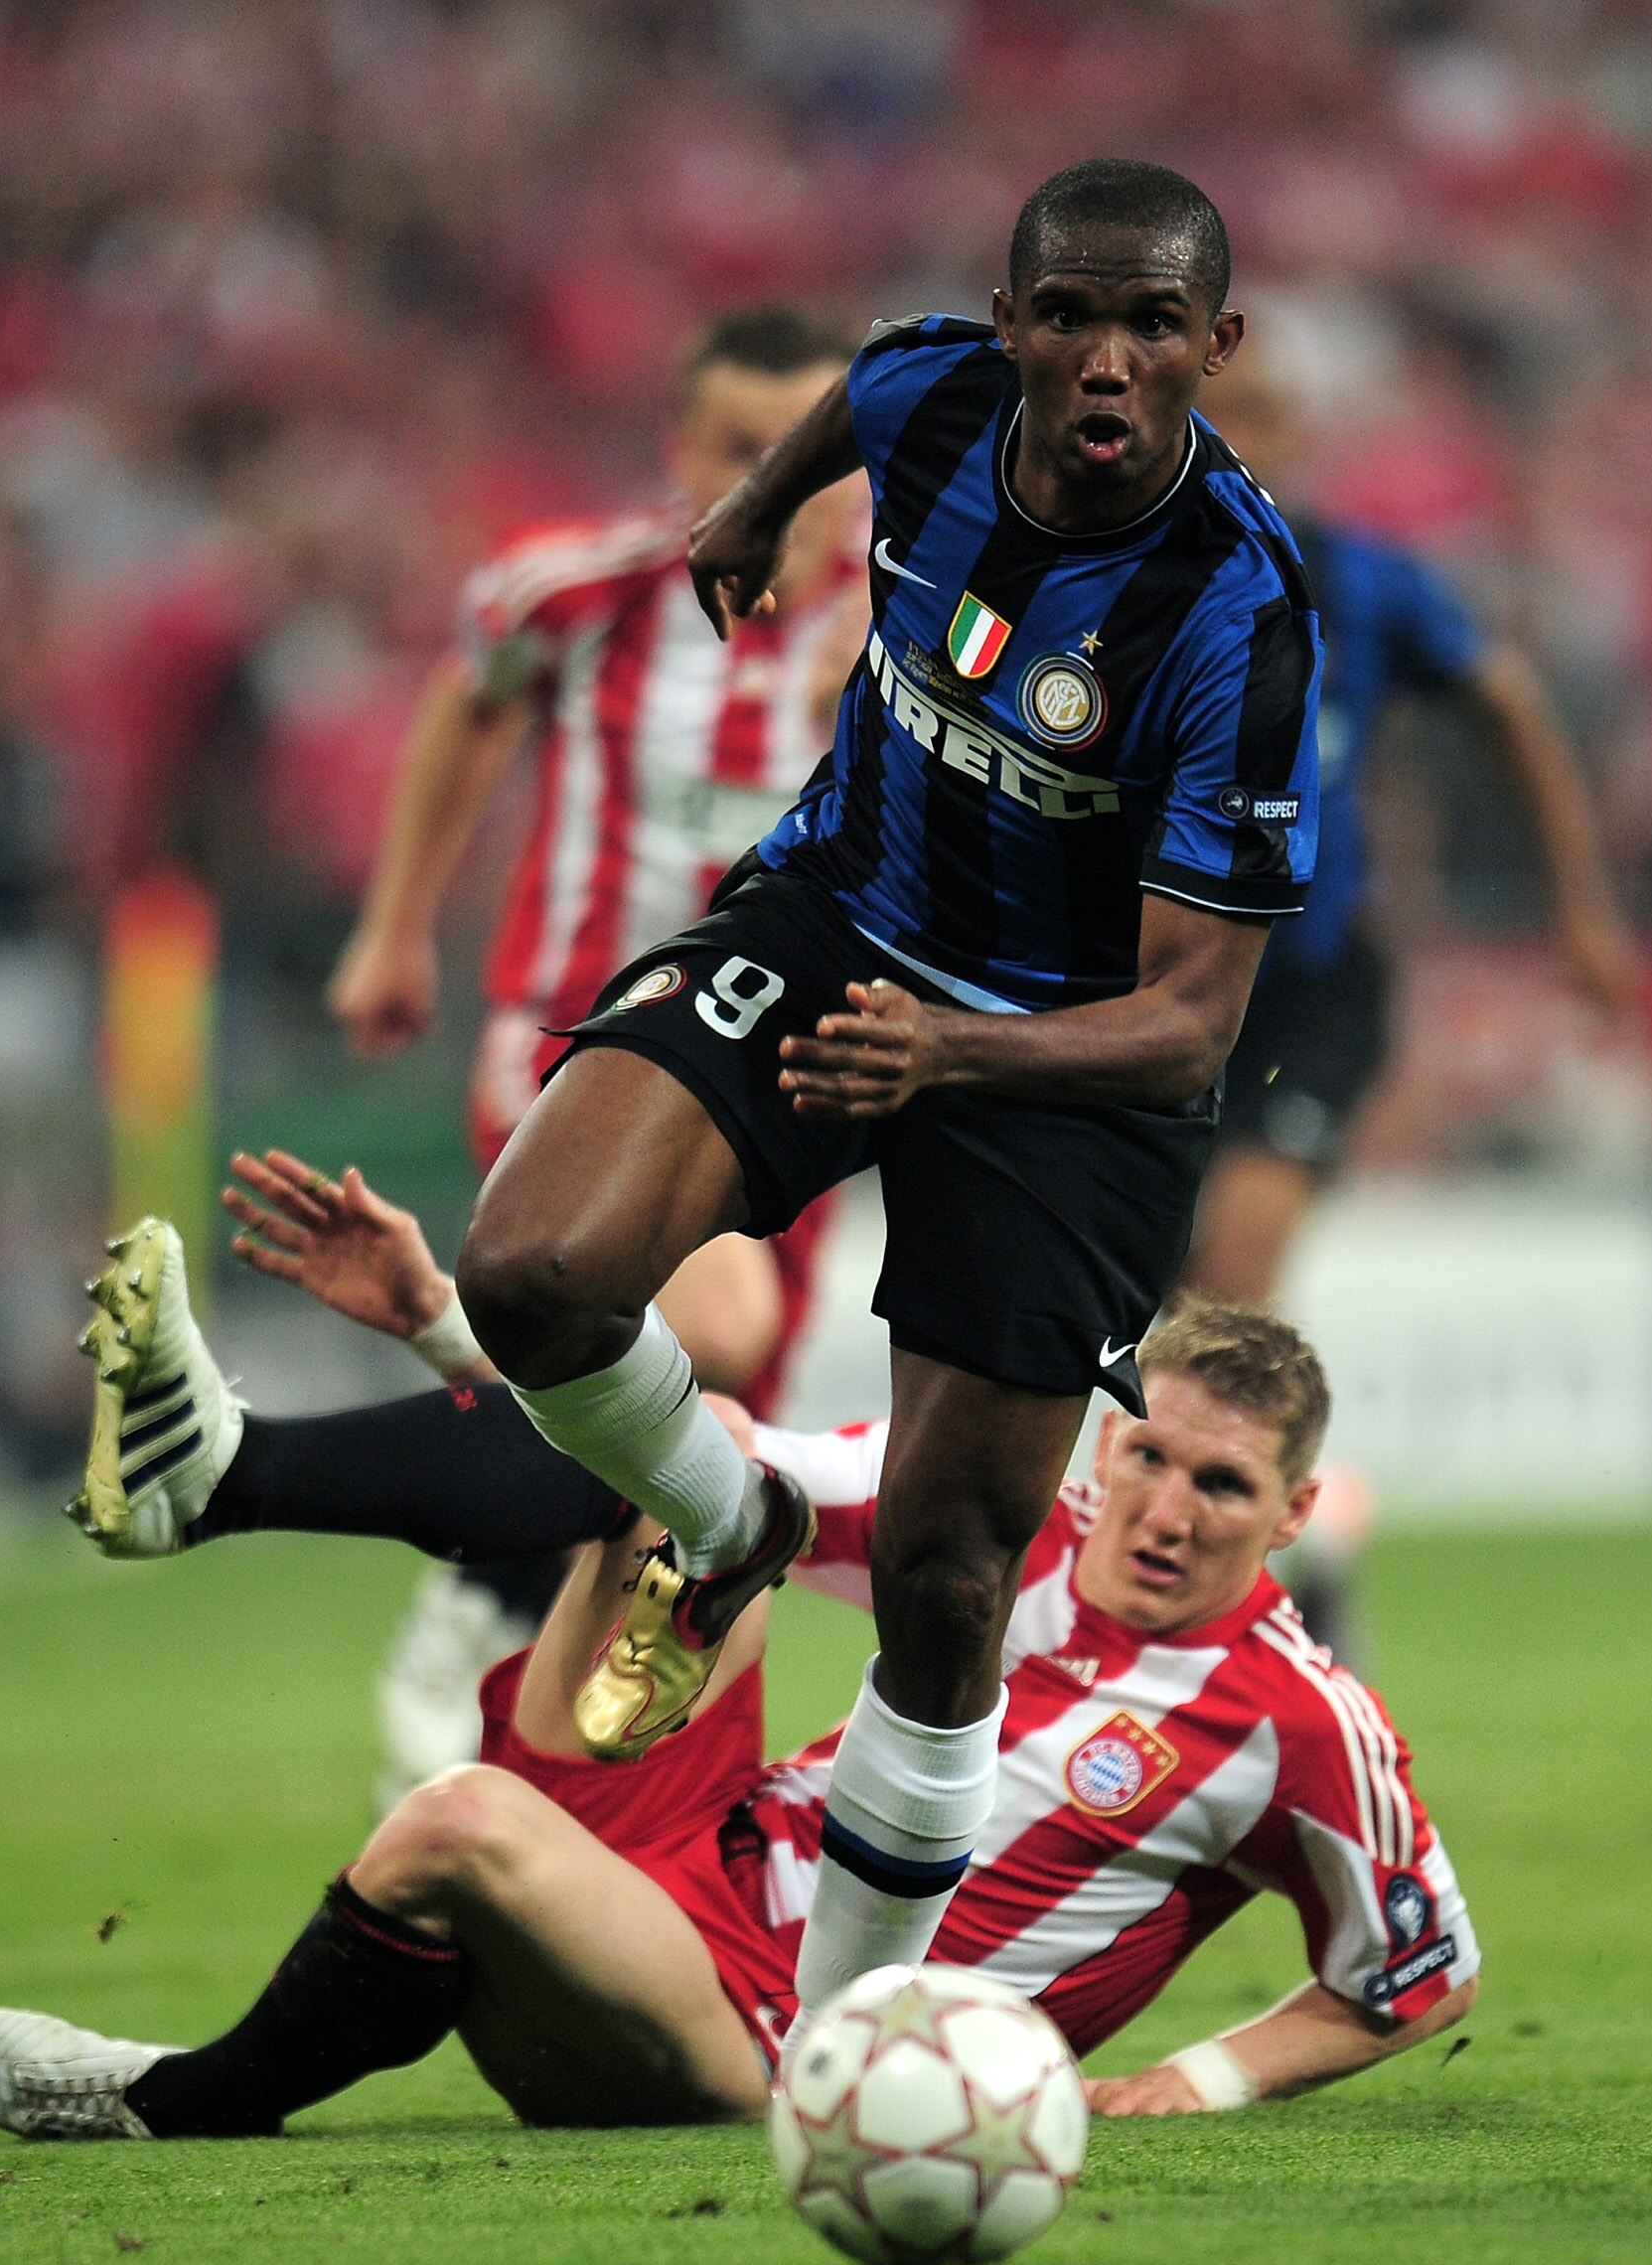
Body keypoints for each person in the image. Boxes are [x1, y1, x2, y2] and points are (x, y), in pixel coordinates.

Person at [448, 158, 1322, 2033]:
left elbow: (1187, 1028)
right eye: (1067, 314)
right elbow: (857, 390)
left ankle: (834, 2047)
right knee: (528, 1273)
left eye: (1152, 324)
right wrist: (755, 507)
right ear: (1009, 325)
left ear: (1214, 347)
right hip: (844, 912)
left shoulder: (1236, 615)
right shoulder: (933, 392)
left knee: (946, 1577)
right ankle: (731, 1512)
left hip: (1074, 1068)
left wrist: (954, 1055)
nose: (1104, 357)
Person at [0, 1304, 1478, 2138]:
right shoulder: (1025, 1525)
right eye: (1147, 1456)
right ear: (1100, 1451)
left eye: (1223, 1487)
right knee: (703, 1464)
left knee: (455, 1822)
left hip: (774, 2027)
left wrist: (1199, 2080)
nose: (1169, 1507)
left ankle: (160, 2096)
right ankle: (225, 1475)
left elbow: (1418, 1973)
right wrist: (446, 1331)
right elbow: (709, 1460)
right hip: (679, 1869)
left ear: (1290, 1521)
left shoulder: (1299, 1717)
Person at [308, 305, 865, 1799]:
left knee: (689, 1412)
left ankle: (537, 1744)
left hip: (794, 1093)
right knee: (714, 1329)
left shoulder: (918, 623)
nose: (781, 480)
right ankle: (475, 1605)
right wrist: (395, 924)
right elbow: (468, 711)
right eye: (743, 449)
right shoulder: (586, 592)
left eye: (810, 452)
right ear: (684, 451)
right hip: (579, 1036)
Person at [1185, 329, 1643, 1653]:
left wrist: (1581, 907)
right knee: (1177, 1319)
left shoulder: (1369, 586)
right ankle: (1311, 1542)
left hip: (1312, 985)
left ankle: (1267, 1592)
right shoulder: (1107, 585)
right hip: (1152, 997)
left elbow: (1510, 708)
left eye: (1271, 412)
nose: (1250, 439)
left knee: (1240, 1258)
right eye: (1227, 413)